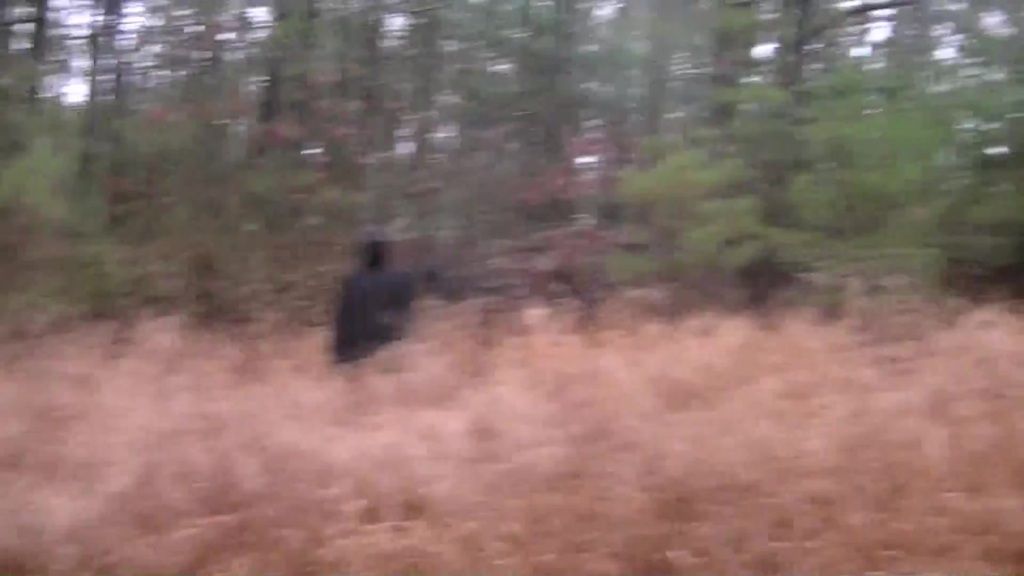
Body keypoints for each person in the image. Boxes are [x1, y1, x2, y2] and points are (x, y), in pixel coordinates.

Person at [332, 229, 416, 364]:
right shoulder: (402, 279)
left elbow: (342, 324)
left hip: (354, 353)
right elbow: (406, 319)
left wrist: (340, 357)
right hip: (388, 348)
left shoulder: (352, 283)